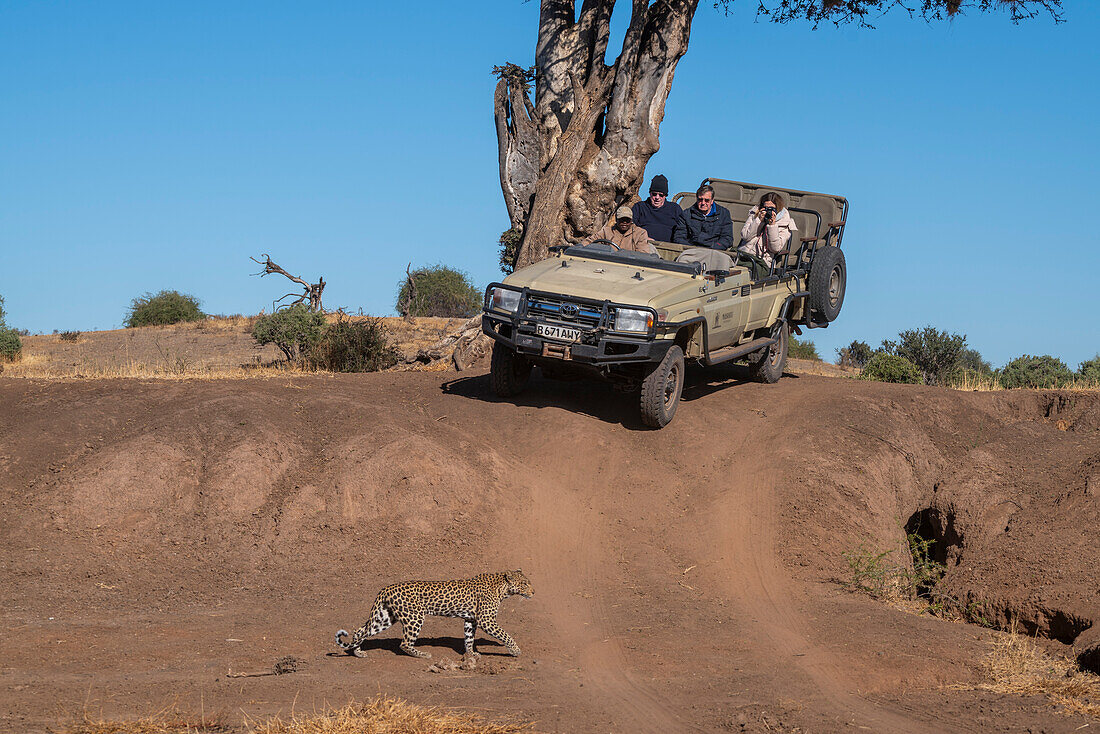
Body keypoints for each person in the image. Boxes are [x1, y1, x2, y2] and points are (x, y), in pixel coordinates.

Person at [738, 192, 798, 267]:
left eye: (772, 208)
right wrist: (759, 221)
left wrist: (772, 226)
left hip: (763, 262)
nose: (768, 211)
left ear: (778, 208)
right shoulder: (755, 214)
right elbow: (745, 236)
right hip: (744, 255)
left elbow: (775, 248)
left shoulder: (785, 223)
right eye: (766, 207)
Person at [671, 184, 733, 250]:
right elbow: (679, 237)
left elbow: (727, 238)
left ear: (712, 200)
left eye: (706, 200)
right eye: (700, 200)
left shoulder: (723, 214)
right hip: (691, 251)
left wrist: (715, 247)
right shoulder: (686, 214)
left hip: (714, 251)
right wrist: (691, 249)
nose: (703, 203)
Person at [631, 174, 683, 243]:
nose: (657, 198)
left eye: (661, 195)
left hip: (668, 248)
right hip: (644, 245)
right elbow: (631, 227)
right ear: (650, 193)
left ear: (665, 196)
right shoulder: (640, 207)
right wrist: (643, 237)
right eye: (654, 194)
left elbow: (682, 230)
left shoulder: (675, 209)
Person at [583, 206, 657, 254]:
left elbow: (642, 255)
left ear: (631, 221)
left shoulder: (640, 233)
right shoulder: (606, 231)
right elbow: (589, 242)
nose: (624, 223)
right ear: (616, 220)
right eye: (621, 220)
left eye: (627, 220)